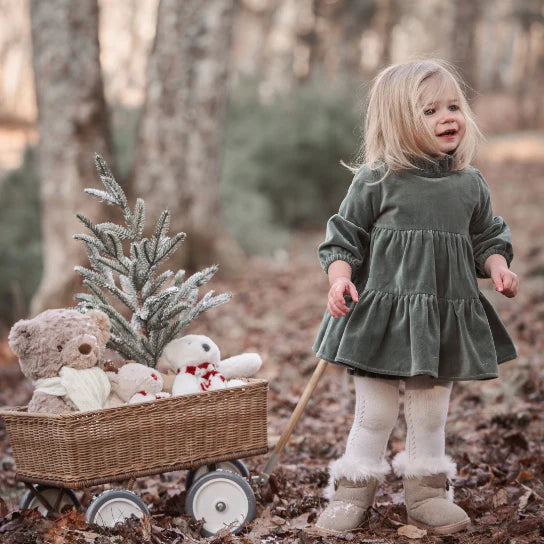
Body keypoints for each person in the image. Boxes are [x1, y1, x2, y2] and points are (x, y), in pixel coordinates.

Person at [312, 59, 519, 536]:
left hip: (440, 320)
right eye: (430, 110)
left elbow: (486, 238)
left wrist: (499, 268)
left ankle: (426, 494)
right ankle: (352, 493)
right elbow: (343, 238)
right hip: (381, 316)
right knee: (377, 412)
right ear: (400, 121)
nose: (448, 117)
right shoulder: (377, 180)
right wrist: (339, 279)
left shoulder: (470, 184)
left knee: (429, 413)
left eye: (453, 106)